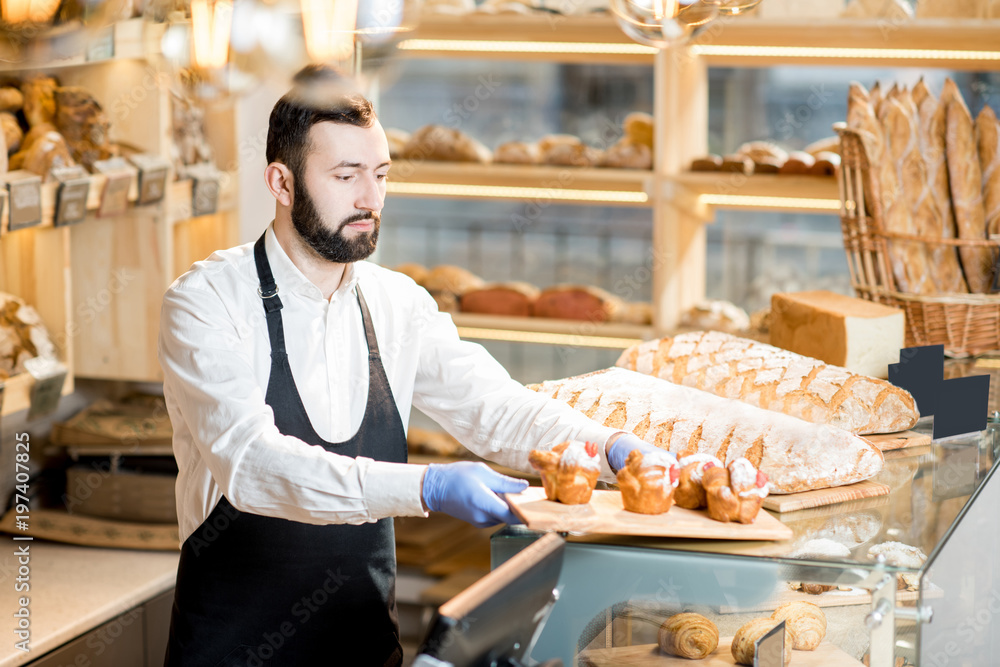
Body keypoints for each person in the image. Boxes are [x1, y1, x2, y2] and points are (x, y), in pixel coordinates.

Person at [159, 65, 656, 667]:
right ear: (281, 183)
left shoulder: (397, 303)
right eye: (346, 176)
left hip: (366, 651)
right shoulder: (207, 301)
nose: (370, 199)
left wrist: (608, 449)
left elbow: (494, 409)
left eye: (381, 175)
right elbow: (252, 465)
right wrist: (427, 486)